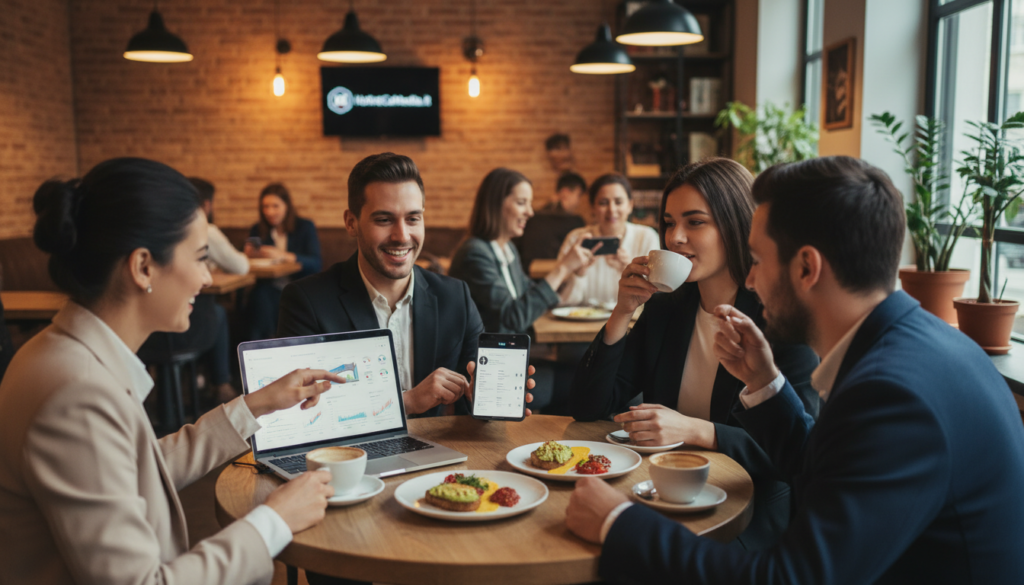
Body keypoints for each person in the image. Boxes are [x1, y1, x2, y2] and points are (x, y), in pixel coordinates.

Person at [565, 156, 1024, 583]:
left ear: (806, 268)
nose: (749, 278)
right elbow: (819, 467)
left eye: (759, 260)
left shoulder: (892, 393)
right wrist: (765, 385)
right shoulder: (916, 347)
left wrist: (617, 522)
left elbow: (794, 578)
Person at [0, 157, 345, 584]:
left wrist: (256, 405)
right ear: (143, 266)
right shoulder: (77, 392)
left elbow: (135, 469)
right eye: (201, 258)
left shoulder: (65, 356)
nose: (205, 278)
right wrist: (274, 520)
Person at [570, 158, 818, 550]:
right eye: (669, 222)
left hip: (745, 512)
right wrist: (622, 313)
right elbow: (587, 406)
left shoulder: (779, 319)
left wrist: (698, 431)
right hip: (665, 492)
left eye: (695, 222)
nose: (675, 238)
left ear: (737, 226)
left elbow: (797, 450)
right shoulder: (670, 307)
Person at [278, 153, 537, 419]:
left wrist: (483, 400)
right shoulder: (307, 301)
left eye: (413, 219)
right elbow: (298, 414)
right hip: (351, 458)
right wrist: (408, 402)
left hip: (444, 456)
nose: (402, 236)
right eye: (384, 220)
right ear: (351, 222)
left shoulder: (455, 296)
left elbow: (469, 407)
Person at [557, 173, 661, 307]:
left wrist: (630, 273)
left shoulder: (646, 237)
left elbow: (654, 302)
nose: (611, 210)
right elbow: (563, 304)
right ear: (593, 207)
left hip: (631, 323)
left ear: (630, 205)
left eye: (618, 202)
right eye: (603, 203)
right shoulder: (576, 239)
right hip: (582, 324)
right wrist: (579, 274)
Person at [245, 182, 322, 340]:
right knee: (259, 297)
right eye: (265, 207)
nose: (269, 211)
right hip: (269, 288)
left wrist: (282, 255)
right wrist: (249, 253)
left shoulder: (305, 227)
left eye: (275, 206)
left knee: (266, 301)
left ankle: (266, 343)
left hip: (297, 287)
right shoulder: (258, 229)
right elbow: (246, 259)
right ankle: (259, 347)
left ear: (286, 206)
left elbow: (315, 263)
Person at [512, 172, 587, 274]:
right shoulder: (576, 222)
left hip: (526, 275)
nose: (578, 203)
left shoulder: (532, 219)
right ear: (565, 192)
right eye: (578, 195)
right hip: (560, 277)